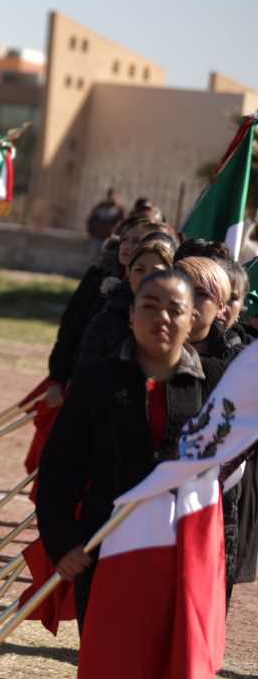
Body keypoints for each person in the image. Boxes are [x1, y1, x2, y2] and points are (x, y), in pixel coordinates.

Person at [37, 268, 221, 629]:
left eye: (175, 309)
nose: (162, 318)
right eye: (150, 306)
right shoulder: (98, 381)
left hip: (180, 553)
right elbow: (60, 469)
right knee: (108, 663)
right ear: (132, 316)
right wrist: (64, 543)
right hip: (106, 544)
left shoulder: (212, 387)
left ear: (192, 319)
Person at [75, 239, 173, 368]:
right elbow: (85, 372)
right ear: (129, 274)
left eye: (156, 271)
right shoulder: (106, 319)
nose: (146, 277)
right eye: (139, 270)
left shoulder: (176, 321)